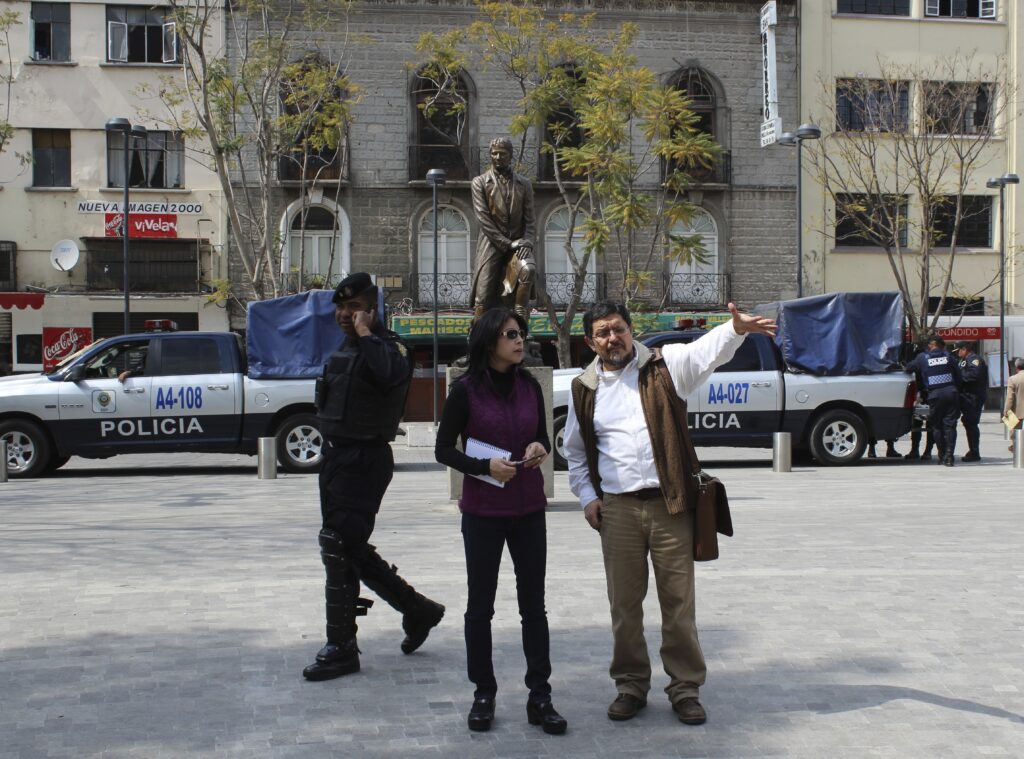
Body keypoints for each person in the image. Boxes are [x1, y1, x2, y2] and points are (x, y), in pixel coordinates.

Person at [563, 300, 776, 725]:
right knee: (624, 605)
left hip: (671, 504)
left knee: (678, 603)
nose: (612, 338)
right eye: (602, 333)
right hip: (618, 510)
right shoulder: (584, 389)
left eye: (618, 329)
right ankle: (630, 685)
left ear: (631, 329)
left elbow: (704, 351)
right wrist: (588, 498)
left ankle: (684, 688)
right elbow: (573, 453)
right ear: (590, 342)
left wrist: (734, 330)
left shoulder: (665, 367)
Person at [303, 272, 445, 681]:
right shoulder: (345, 350)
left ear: (372, 309)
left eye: (354, 308)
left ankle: (342, 646)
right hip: (336, 458)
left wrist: (367, 334)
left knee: (337, 543)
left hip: (365, 459)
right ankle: (418, 610)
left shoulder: (390, 347)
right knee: (346, 545)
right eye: (341, 308)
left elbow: (388, 375)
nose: (345, 315)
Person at [434, 307, 565, 735]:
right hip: (483, 514)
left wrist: (537, 447)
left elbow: (544, 438)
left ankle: (540, 696)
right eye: (511, 333)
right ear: (490, 340)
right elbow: (443, 450)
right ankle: (483, 693)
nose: (519, 339)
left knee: (534, 607)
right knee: (480, 607)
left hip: (529, 510)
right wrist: (483, 466)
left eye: (521, 333)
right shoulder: (466, 390)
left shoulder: (530, 386)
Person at [470, 137, 537, 320]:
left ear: (511, 156)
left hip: (518, 245)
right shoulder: (480, 182)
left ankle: (521, 328)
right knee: (482, 296)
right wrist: (508, 244)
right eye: (494, 153)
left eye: (502, 153)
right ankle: (478, 338)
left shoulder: (524, 184)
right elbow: (483, 219)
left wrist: (527, 243)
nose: (498, 157)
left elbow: (530, 221)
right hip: (491, 246)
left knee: (528, 269)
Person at [910, 335, 962, 467]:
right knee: (950, 426)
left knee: (937, 426)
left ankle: (941, 455)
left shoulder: (923, 358)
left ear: (930, 346)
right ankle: (949, 457)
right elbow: (958, 376)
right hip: (951, 393)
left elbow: (909, 368)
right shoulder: (949, 357)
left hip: (935, 396)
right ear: (942, 346)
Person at [956, 341, 988, 462]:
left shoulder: (975, 359)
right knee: (968, 422)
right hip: (966, 396)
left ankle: (974, 451)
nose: (958, 353)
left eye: (959, 350)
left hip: (973, 397)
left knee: (971, 423)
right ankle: (973, 450)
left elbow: (974, 375)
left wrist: (958, 376)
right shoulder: (964, 360)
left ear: (965, 349)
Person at [1005, 357, 1024, 452]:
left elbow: (1010, 398)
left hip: (1017, 411)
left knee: (1014, 432)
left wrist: (1006, 411)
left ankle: (1015, 446)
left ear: (1016, 367)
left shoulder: (1013, 379)